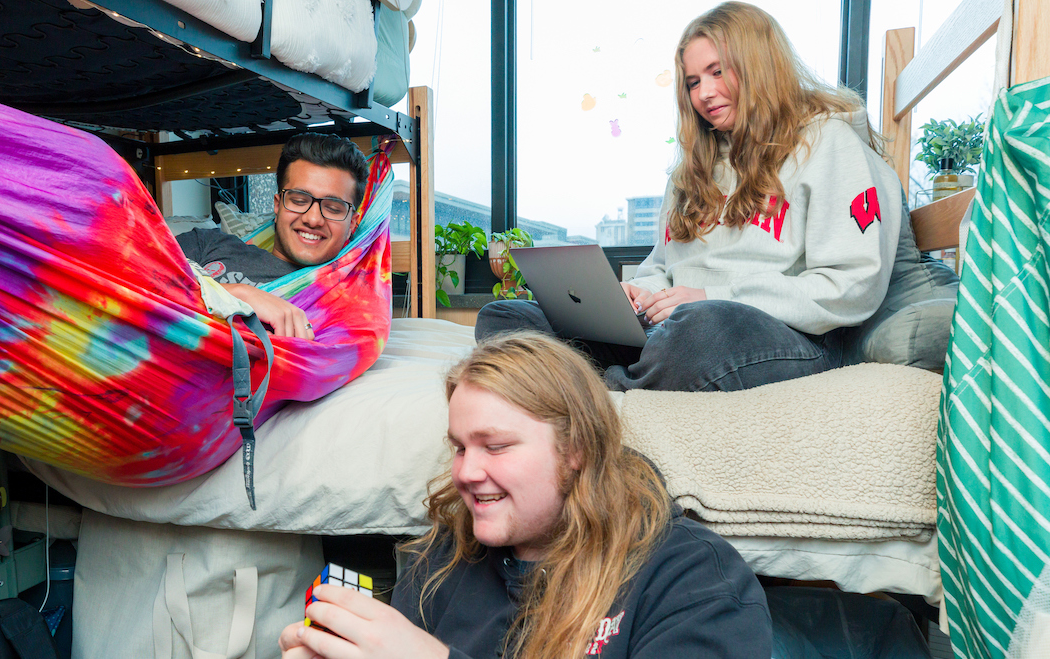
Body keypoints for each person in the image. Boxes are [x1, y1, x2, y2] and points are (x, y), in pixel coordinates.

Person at [475, 1, 902, 393]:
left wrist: (714, 296)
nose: (704, 94)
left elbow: (852, 286)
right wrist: (637, 294)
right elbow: (662, 268)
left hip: (777, 334)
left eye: (718, 72)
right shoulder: (692, 168)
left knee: (698, 329)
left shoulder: (830, 143)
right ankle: (615, 375)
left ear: (759, 66)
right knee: (506, 319)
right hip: (672, 329)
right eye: (693, 81)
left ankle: (591, 388)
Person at [278, 332, 772, 658]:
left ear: (575, 447)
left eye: (496, 446)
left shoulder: (694, 579)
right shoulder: (444, 560)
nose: (467, 472)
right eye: (459, 447)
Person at [175, 132, 370, 339]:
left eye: (332, 208)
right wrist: (238, 295)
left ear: (352, 224)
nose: (313, 220)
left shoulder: (344, 306)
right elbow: (141, 281)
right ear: (278, 206)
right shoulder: (207, 242)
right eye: (299, 200)